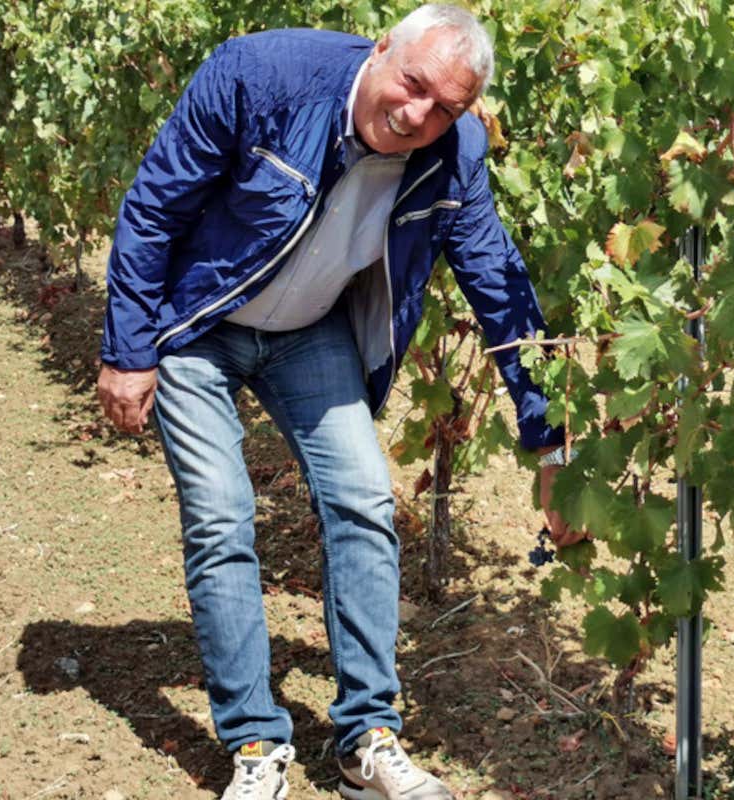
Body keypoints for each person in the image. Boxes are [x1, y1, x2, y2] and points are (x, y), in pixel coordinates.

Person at [96, 5, 580, 799]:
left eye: (446, 107)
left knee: (363, 501)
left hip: (307, 333)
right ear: (382, 45)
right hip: (199, 325)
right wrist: (127, 350)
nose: (417, 115)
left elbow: (499, 283)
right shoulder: (261, 75)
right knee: (222, 518)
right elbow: (154, 207)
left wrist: (551, 443)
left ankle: (367, 739)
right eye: (412, 84)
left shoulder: (451, 152)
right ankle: (255, 744)